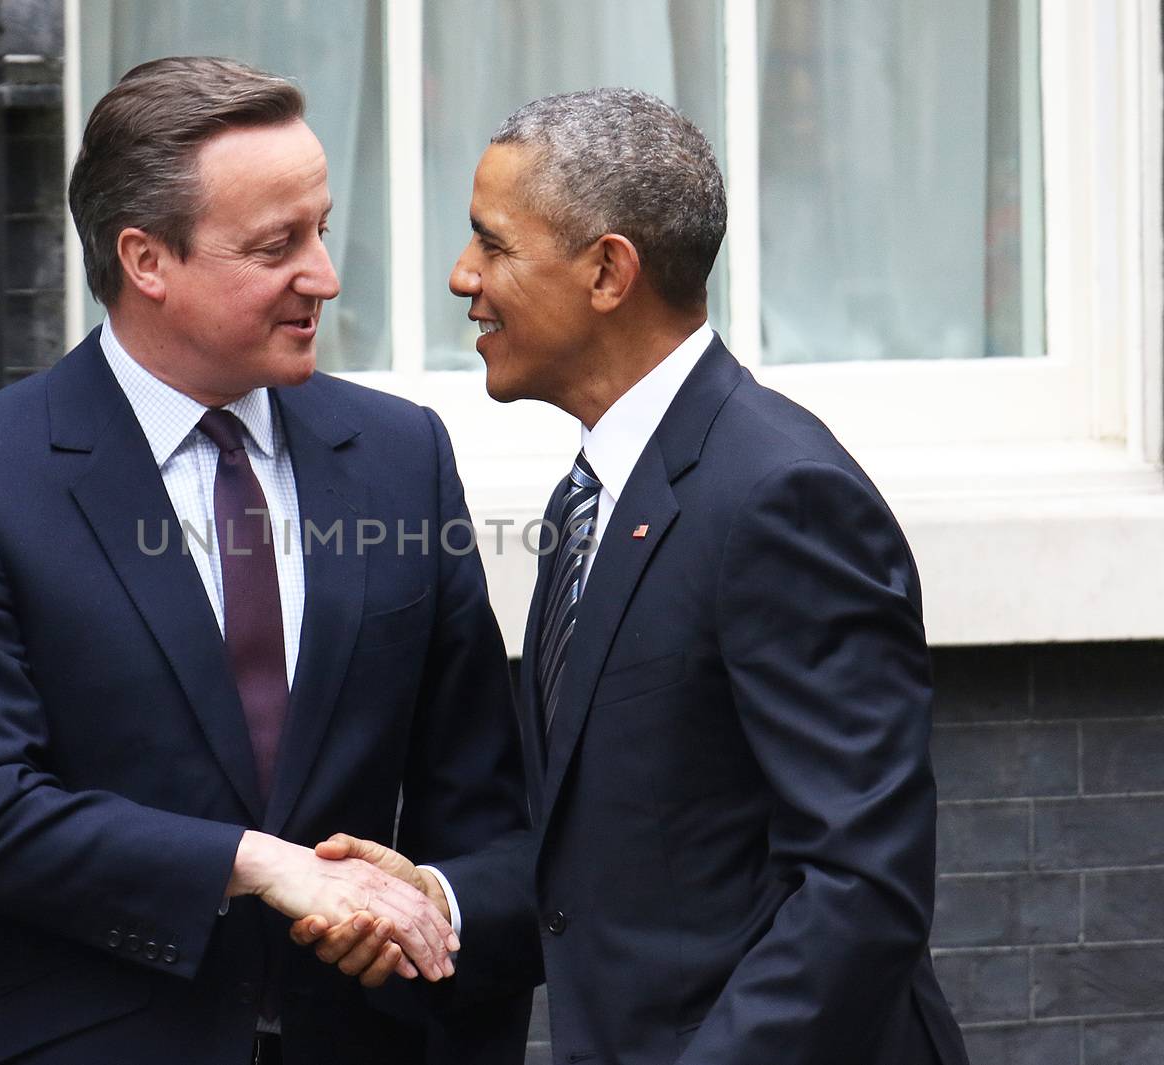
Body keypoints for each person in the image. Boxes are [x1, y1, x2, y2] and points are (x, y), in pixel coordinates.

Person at [0, 56, 535, 1065]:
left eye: (319, 227)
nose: (323, 272)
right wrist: (252, 863)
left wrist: (428, 904)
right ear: (146, 260)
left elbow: (490, 807)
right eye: (277, 245)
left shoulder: (404, 458)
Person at [298, 88, 971, 1065]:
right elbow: (601, 856)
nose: (461, 277)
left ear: (608, 271)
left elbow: (862, 889)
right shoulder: (591, 499)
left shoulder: (782, 499)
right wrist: (436, 899)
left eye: (493, 244)